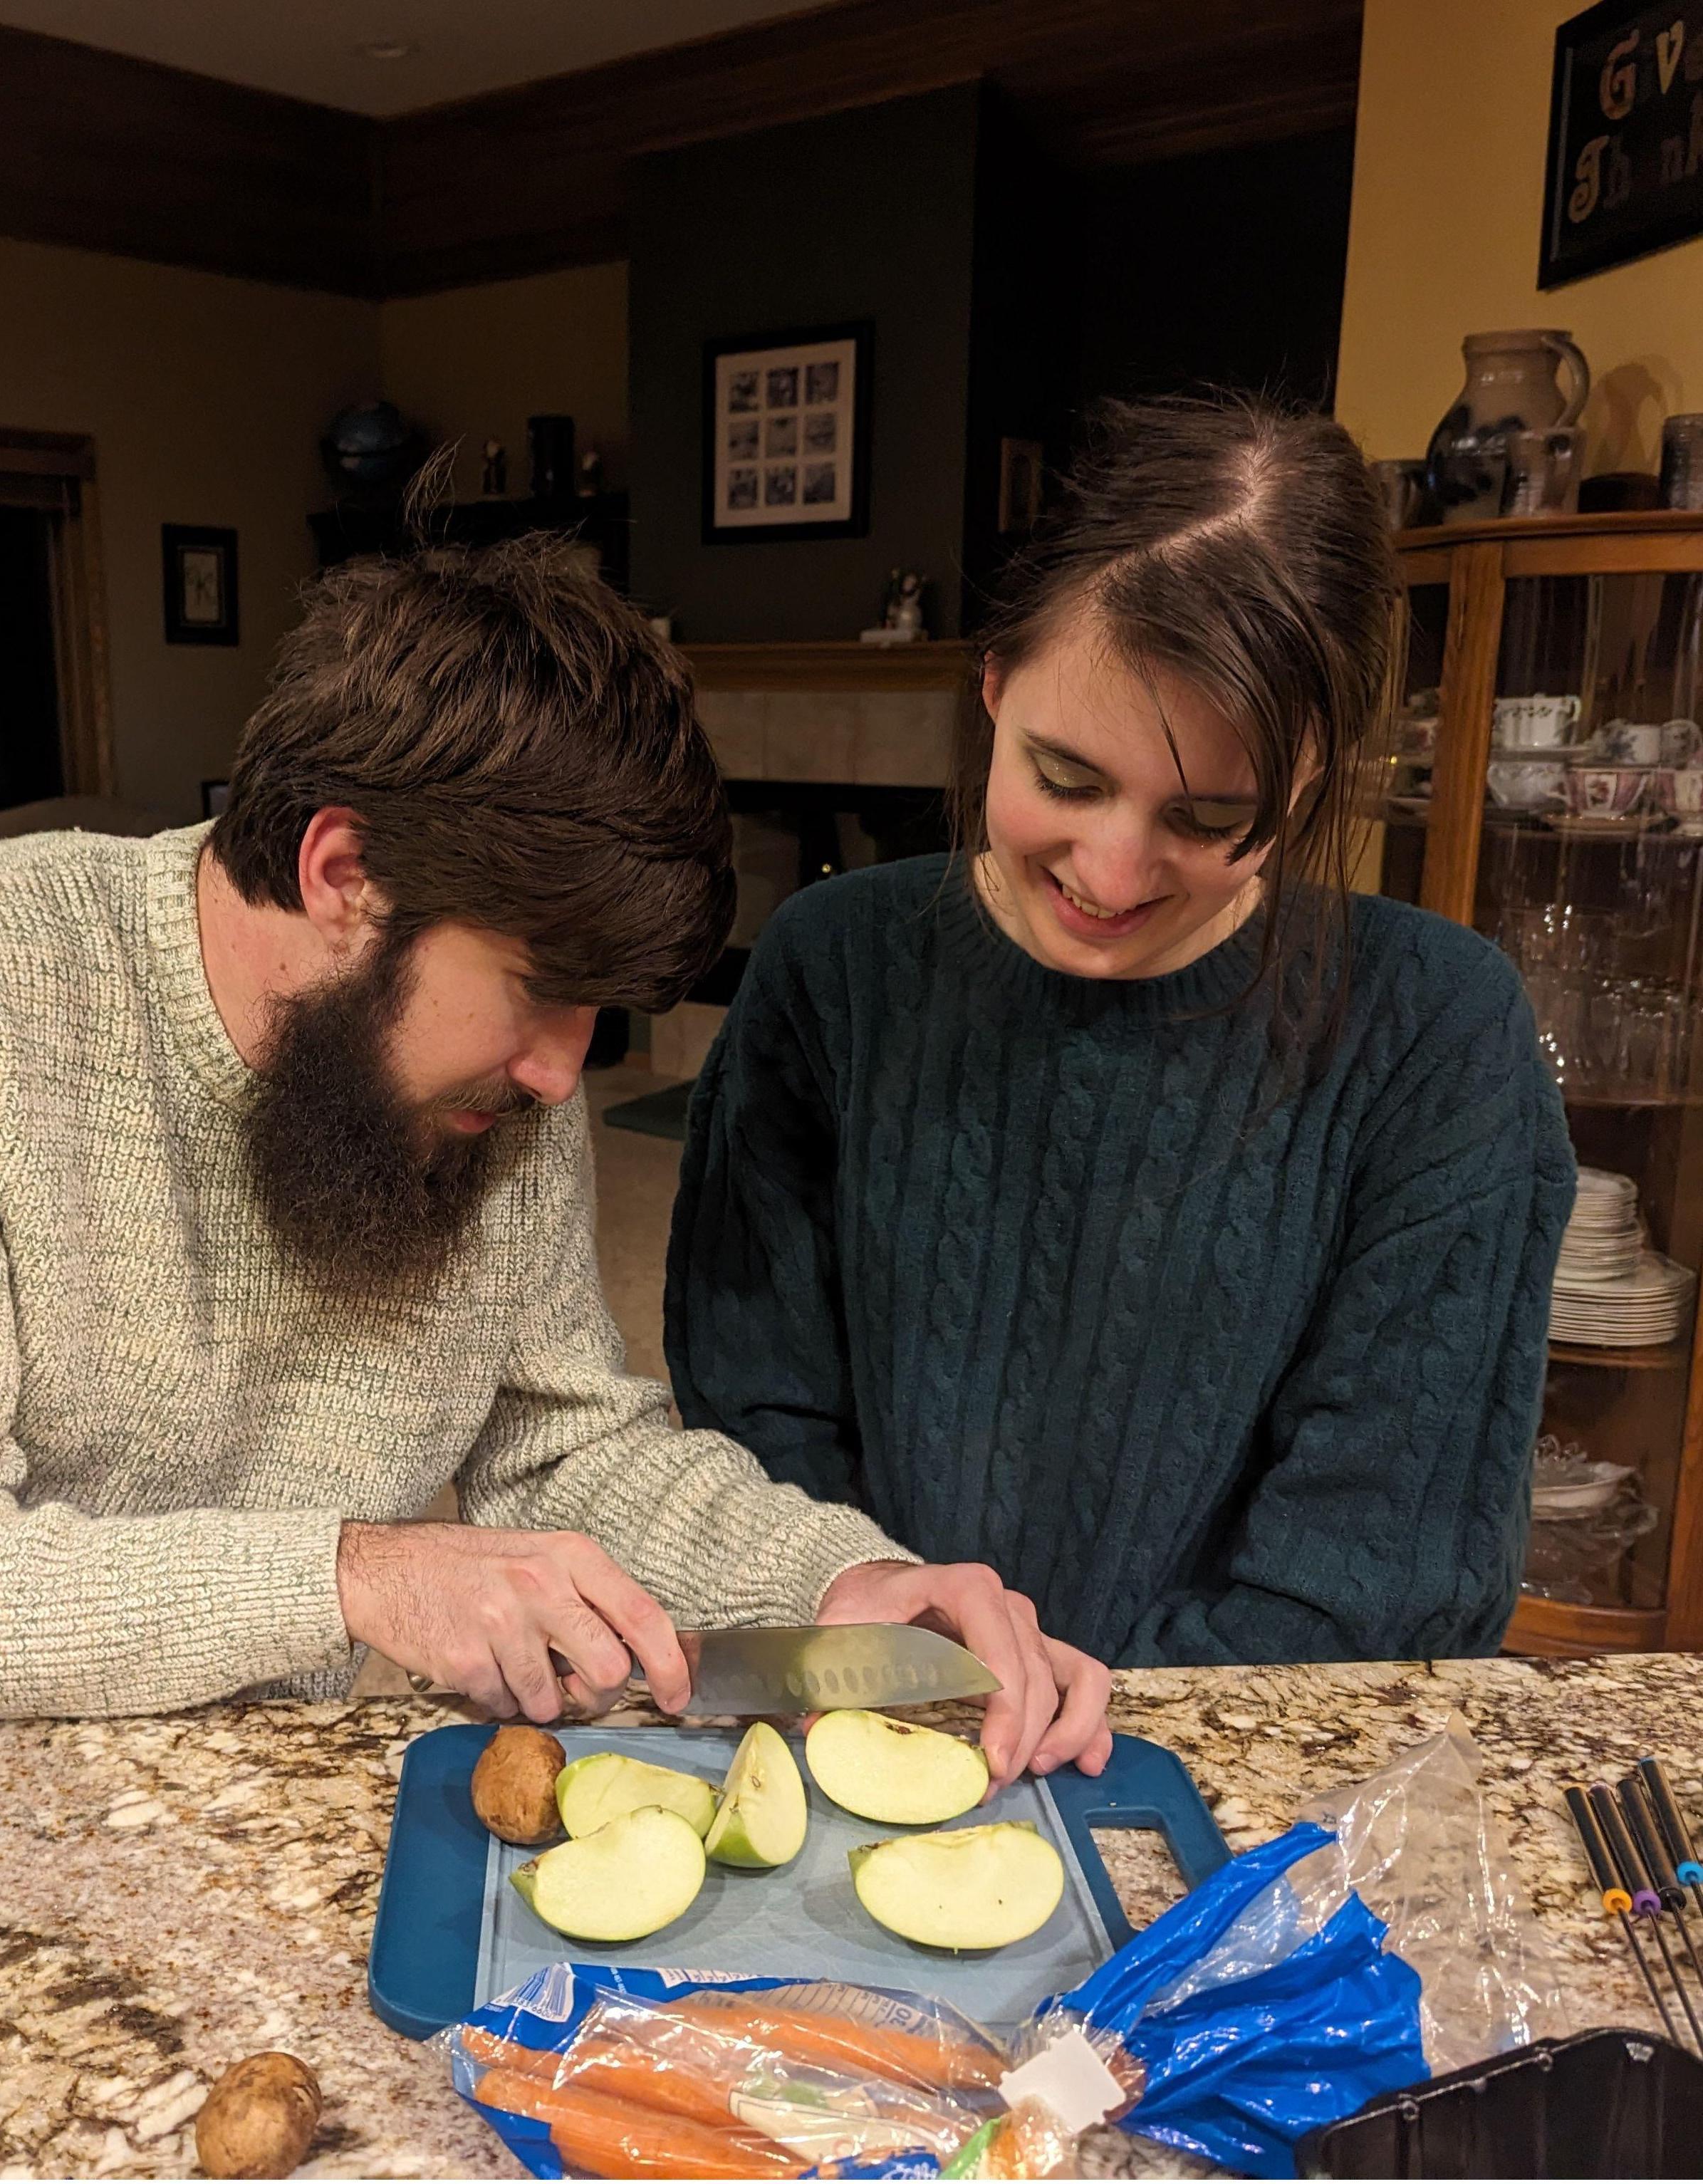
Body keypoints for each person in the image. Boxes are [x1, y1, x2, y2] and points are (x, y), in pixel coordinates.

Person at [0, 537, 1112, 1782]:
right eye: (537, 988)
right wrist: (352, 1576)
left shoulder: (496, 1095)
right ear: (342, 872)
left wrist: (833, 1586)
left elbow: (558, 1447)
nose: (564, 1072)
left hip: (176, 1802)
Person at [667, 395, 1577, 1666]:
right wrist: (907, 1658)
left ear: (1309, 778)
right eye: (1066, 777)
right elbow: (754, 1424)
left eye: (1208, 818)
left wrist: (1091, 1718)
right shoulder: (834, 967)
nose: (1110, 872)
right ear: (993, 685)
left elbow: (1378, 1572)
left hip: (1235, 1755)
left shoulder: (1438, 1034)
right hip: (880, 1717)